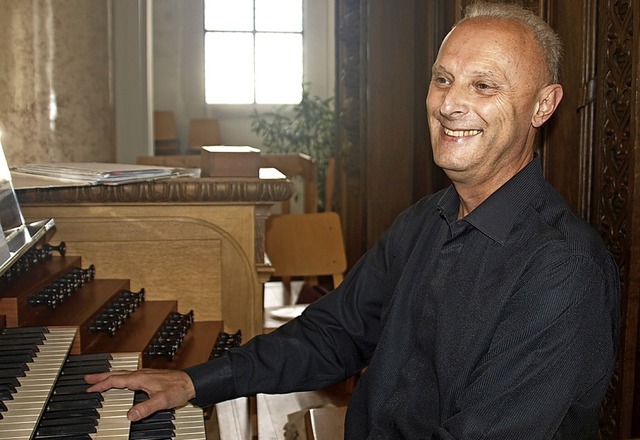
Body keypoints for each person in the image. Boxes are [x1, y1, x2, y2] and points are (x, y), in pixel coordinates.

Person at [85, 2, 620, 438]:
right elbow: (334, 334)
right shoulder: (423, 222)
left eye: (484, 86)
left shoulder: (562, 268)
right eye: (442, 79)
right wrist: (194, 382)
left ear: (543, 106)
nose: (450, 103)